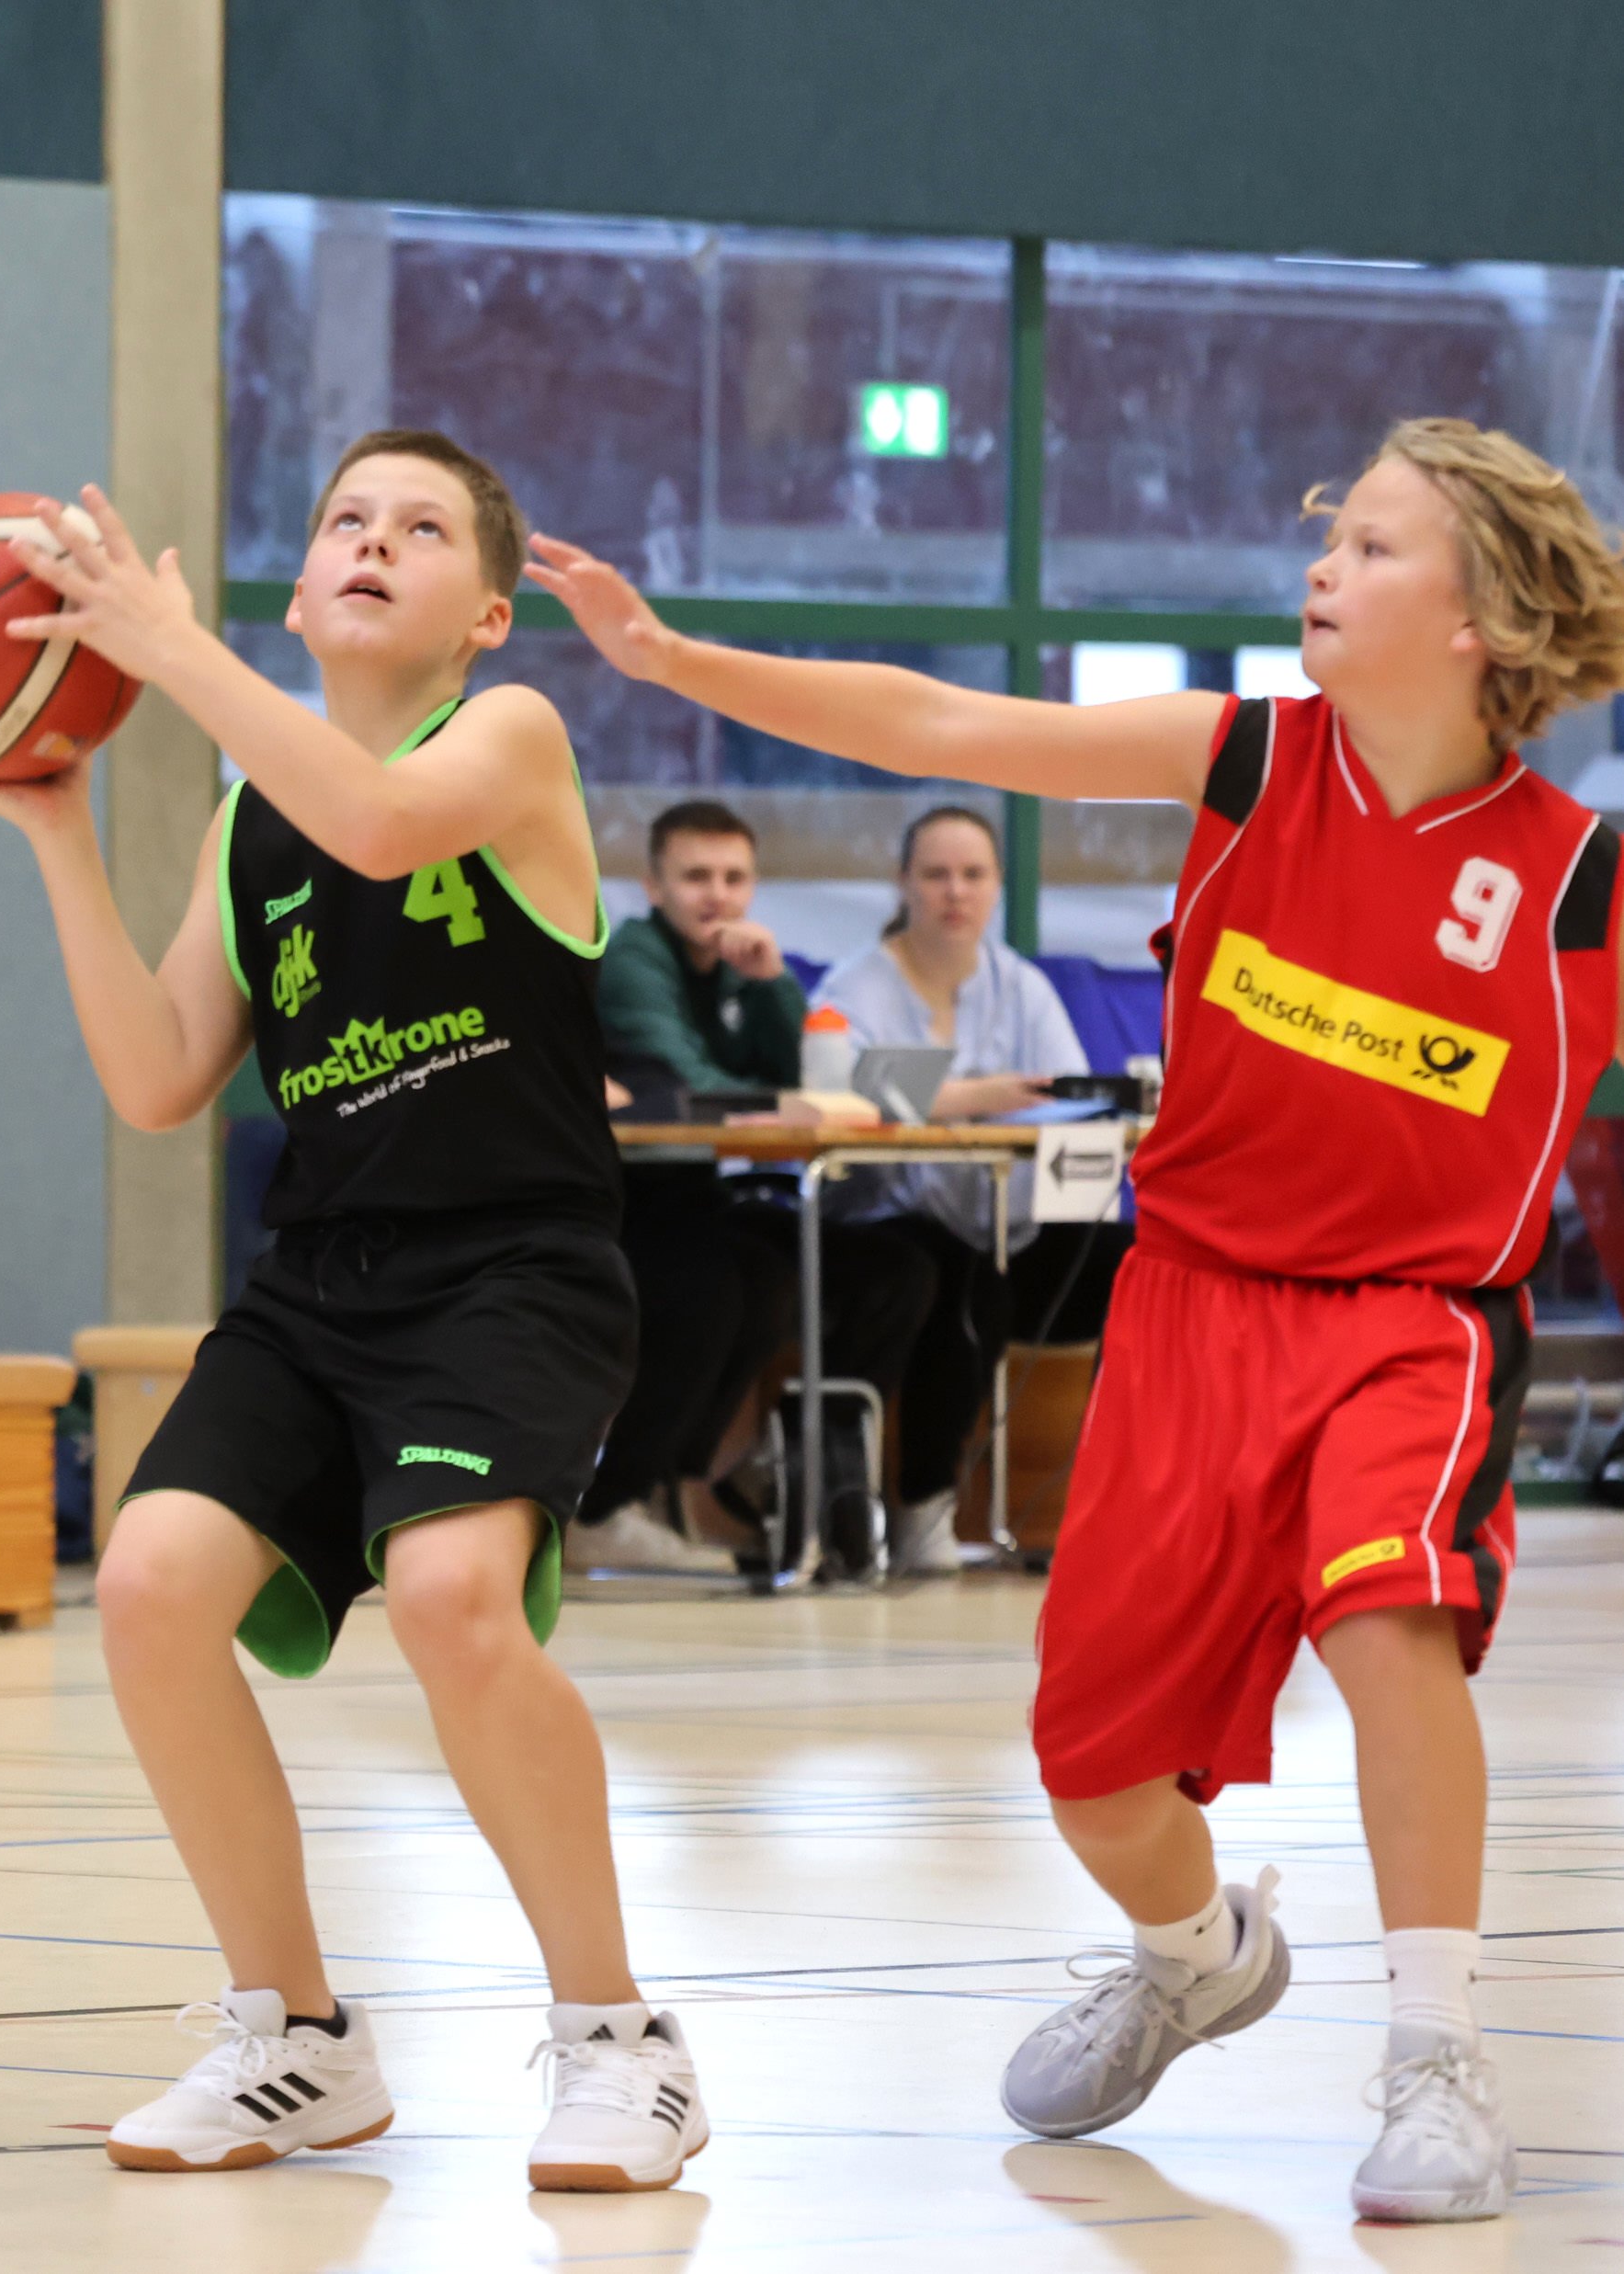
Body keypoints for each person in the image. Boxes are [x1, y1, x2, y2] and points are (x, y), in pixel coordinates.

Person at [532, 415, 1624, 2224]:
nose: (1320, 565)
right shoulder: (1247, 761)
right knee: (1095, 1771)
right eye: (1329, 533)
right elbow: (938, 724)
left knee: (1392, 1626)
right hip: (1187, 1310)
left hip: (1411, 1320)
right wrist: (670, 658)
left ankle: (1437, 2056)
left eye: (1368, 545)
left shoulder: (1578, 878)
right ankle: (1193, 1954)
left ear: (1481, 616)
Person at [0, 434, 706, 2194]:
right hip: (323, 1282)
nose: (374, 540)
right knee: (148, 1586)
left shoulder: (510, 740)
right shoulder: (245, 819)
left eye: (420, 529)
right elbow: (156, 1076)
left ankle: (619, 2036)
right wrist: (58, 830)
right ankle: (296, 2031)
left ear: (487, 614)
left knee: (451, 1596)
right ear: (301, 590)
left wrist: (166, 650)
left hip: (513, 1267)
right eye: (347, 519)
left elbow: (378, 821)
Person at [578, 802, 937, 1575]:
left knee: (896, 1270)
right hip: (622, 1204)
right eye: (696, 877)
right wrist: (784, 1101)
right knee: (720, 1285)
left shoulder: (740, 967)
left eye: (734, 878)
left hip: (703, 1198)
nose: (717, 895)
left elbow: (811, 1071)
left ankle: (807, 1479)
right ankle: (610, 1505)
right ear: (653, 886)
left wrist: (772, 983)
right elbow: (684, 1084)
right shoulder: (635, 957)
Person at [803, 804, 1107, 1575]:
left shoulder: (1022, 986)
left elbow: (1069, 1093)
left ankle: (1115, 1500)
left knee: (1130, 1260)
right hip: (883, 1220)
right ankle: (925, 1508)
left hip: (1007, 1218)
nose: (955, 892)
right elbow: (846, 1094)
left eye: (973, 875)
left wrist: (959, 1097)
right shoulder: (854, 986)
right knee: (961, 1275)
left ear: (998, 885)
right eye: (936, 874)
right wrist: (983, 1095)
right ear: (903, 882)